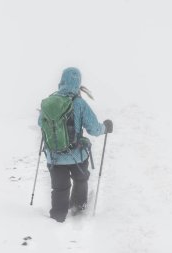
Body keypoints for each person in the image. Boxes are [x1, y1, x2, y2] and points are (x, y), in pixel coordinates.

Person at [38, 67, 113, 222]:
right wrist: (105, 128)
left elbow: (41, 123)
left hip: (54, 156)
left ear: (62, 81)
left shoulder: (50, 102)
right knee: (80, 179)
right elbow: (94, 129)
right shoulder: (79, 103)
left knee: (59, 187)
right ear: (78, 82)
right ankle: (78, 207)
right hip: (76, 155)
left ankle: (57, 217)